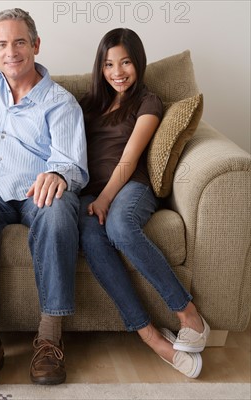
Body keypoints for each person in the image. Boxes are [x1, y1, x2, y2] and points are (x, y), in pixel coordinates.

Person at [0, 9, 88, 389]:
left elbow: (73, 165)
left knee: (60, 209)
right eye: (1, 44)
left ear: (35, 45)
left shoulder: (60, 102)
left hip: (36, 191)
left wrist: (58, 174)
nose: (11, 52)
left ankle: (49, 339)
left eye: (19, 42)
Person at [78, 28, 210, 379]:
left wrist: (106, 198)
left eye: (125, 63)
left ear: (139, 62)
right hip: (87, 194)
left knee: (121, 226)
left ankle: (187, 313)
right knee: (91, 238)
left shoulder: (148, 102)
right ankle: (150, 336)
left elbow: (129, 157)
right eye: (108, 64)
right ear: (100, 67)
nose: (117, 72)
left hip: (129, 188)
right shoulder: (87, 104)